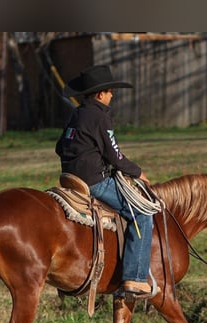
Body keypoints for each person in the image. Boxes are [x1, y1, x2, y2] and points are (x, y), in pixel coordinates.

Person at [55, 64, 155, 298]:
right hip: (94, 181)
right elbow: (114, 154)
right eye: (110, 91)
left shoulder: (76, 114)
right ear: (100, 94)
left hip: (70, 179)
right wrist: (138, 172)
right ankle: (136, 278)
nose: (112, 95)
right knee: (142, 213)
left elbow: (60, 147)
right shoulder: (100, 117)